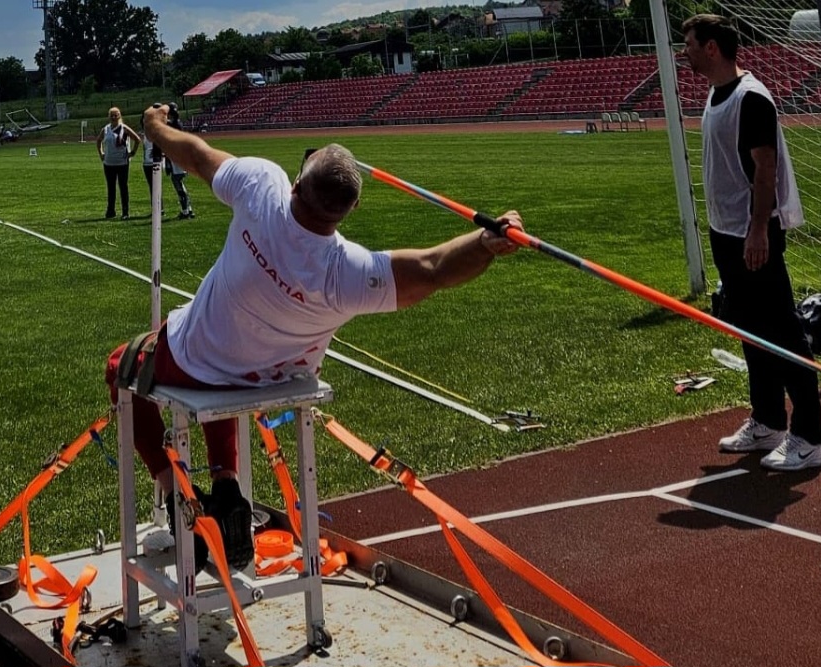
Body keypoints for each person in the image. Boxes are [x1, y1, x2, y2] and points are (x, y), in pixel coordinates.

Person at [105, 103, 523, 572]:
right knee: (227, 369)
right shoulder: (351, 272)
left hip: (195, 360)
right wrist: (486, 243)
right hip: (273, 380)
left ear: (297, 184)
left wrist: (155, 127)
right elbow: (434, 269)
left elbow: (198, 157)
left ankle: (175, 494)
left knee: (120, 365)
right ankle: (226, 484)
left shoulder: (262, 186)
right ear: (352, 209)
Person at [682, 14, 821, 471]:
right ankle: (768, 419)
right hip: (726, 230)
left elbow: (766, 168)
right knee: (749, 328)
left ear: (712, 48)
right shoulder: (716, 94)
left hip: (753, 231)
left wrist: (759, 228)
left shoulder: (751, 98)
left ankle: (809, 435)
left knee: (781, 329)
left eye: (690, 44)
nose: (685, 53)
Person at [96, 107, 141, 219]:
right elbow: (98, 141)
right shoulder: (105, 129)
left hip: (122, 163)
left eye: (116, 115)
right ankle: (110, 211)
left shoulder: (123, 128)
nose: (114, 117)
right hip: (108, 163)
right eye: (112, 115)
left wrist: (132, 153)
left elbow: (137, 139)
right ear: (109, 116)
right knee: (111, 188)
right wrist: (101, 153)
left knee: (123, 187)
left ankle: (125, 212)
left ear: (119, 116)